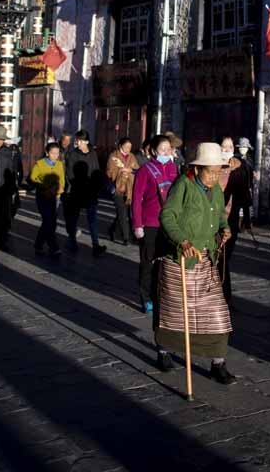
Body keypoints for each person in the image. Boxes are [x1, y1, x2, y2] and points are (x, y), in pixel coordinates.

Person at [155, 142, 235, 384]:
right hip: (180, 260)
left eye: (218, 171)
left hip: (206, 260)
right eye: (210, 171)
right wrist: (183, 240)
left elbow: (220, 215)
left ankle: (218, 363)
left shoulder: (217, 190)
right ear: (198, 169)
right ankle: (164, 351)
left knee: (218, 314)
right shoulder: (184, 185)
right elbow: (167, 215)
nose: (214, 176)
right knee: (174, 313)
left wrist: (225, 229)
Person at [131, 136, 178, 313]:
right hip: (150, 222)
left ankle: (161, 294)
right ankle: (146, 297)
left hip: (168, 223)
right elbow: (136, 199)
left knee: (164, 261)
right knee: (147, 262)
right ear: (153, 151)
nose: (166, 153)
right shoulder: (145, 170)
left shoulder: (174, 168)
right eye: (162, 150)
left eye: (168, 149)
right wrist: (138, 224)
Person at [218, 136, 252, 303]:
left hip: (230, 218)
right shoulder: (211, 166)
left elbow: (245, 194)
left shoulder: (240, 168)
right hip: (211, 218)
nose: (227, 150)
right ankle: (222, 296)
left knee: (224, 257)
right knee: (218, 258)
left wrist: (246, 217)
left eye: (230, 147)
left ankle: (224, 296)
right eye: (223, 147)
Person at [64, 130, 106, 257]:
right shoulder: (72, 154)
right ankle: (72, 242)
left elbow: (96, 171)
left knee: (92, 220)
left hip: (90, 192)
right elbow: (70, 173)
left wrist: (96, 187)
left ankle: (95, 245)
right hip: (77, 191)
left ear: (86, 141)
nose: (77, 142)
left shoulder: (93, 154)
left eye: (80, 140)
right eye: (77, 140)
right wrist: (76, 185)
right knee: (74, 219)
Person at [30, 142, 66, 258]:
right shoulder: (39, 164)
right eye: (53, 153)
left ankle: (38, 245)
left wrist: (60, 190)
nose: (55, 156)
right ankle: (53, 247)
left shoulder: (59, 164)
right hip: (43, 197)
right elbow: (32, 179)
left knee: (51, 222)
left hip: (55, 197)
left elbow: (61, 180)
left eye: (57, 153)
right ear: (47, 153)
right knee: (48, 221)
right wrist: (44, 187)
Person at [106, 137, 140, 245]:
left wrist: (130, 171)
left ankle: (112, 230)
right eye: (126, 147)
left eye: (130, 147)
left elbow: (137, 170)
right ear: (121, 146)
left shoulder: (132, 157)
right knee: (122, 212)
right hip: (117, 188)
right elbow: (110, 172)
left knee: (122, 213)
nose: (128, 149)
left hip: (129, 189)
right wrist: (121, 171)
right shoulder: (113, 156)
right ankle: (126, 237)